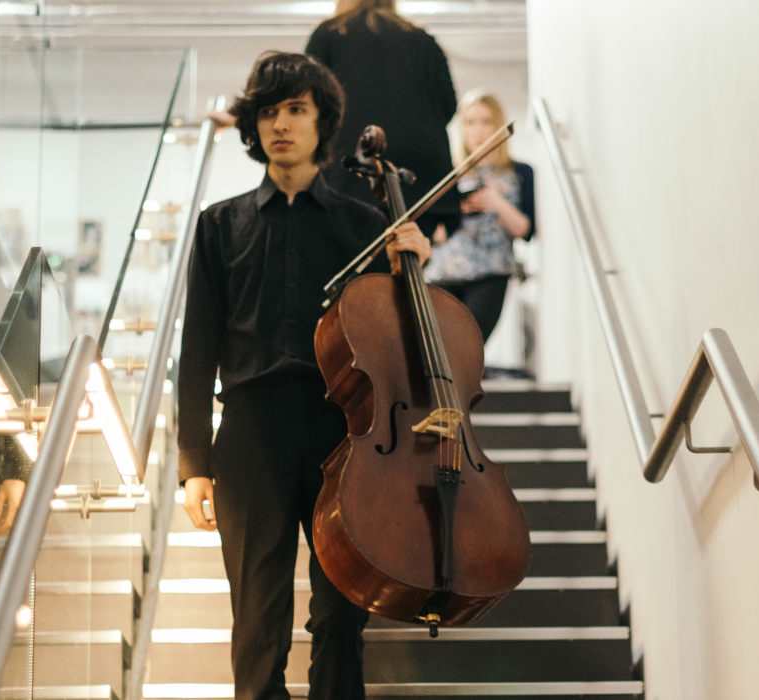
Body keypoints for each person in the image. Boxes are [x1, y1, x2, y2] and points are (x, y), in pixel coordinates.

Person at [177, 51, 431, 700]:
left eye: (296, 109)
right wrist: (193, 463)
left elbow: (403, 347)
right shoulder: (218, 225)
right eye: (268, 112)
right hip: (250, 433)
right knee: (256, 619)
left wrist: (414, 269)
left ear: (323, 122)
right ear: (253, 128)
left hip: (341, 431)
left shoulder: (365, 225)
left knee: (341, 614)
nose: (280, 124)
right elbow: (198, 348)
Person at [306, 0, 461, 238]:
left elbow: (310, 104)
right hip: (420, 180)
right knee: (408, 261)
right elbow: (448, 106)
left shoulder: (329, 34)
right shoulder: (423, 40)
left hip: (350, 178)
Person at [425, 90, 535, 342]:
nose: (479, 130)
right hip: (442, 273)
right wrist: (455, 212)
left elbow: (526, 230)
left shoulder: (520, 172)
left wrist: (495, 202)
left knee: (468, 346)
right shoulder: (446, 173)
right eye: (470, 122)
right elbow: (432, 231)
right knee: (438, 348)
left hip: (490, 273)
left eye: (486, 121)